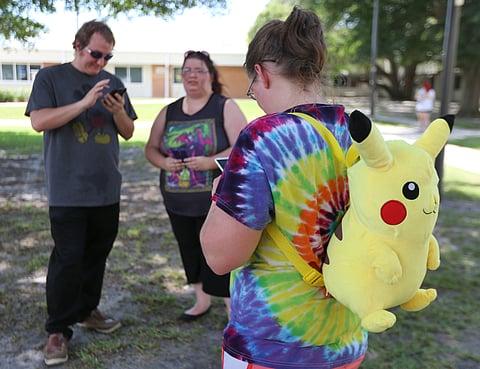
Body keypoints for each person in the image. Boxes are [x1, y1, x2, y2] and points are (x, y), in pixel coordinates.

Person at [200, 7, 368, 369]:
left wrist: (220, 196)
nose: (255, 98)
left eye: (252, 87)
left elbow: (221, 258)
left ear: (262, 73)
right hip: (347, 337)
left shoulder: (263, 136)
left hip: (272, 347)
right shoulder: (360, 131)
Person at [25, 20, 137, 366]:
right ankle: (57, 330)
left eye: (108, 56)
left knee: (96, 255)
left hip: (106, 189)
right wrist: (85, 103)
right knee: (67, 260)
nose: (101, 62)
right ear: (77, 45)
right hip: (68, 191)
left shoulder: (114, 84)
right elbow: (39, 121)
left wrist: (118, 112)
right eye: (96, 54)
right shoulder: (51, 79)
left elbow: (129, 131)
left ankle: (88, 309)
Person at [144, 50, 248, 322]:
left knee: (219, 251)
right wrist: (164, 163)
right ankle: (201, 301)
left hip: (216, 200)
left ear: (210, 76)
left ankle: (230, 308)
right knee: (188, 248)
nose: (192, 75)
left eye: (199, 70)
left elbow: (244, 144)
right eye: (187, 70)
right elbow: (151, 149)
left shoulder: (223, 106)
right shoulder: (170, 111)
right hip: (176, 199)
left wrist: (211, 161)